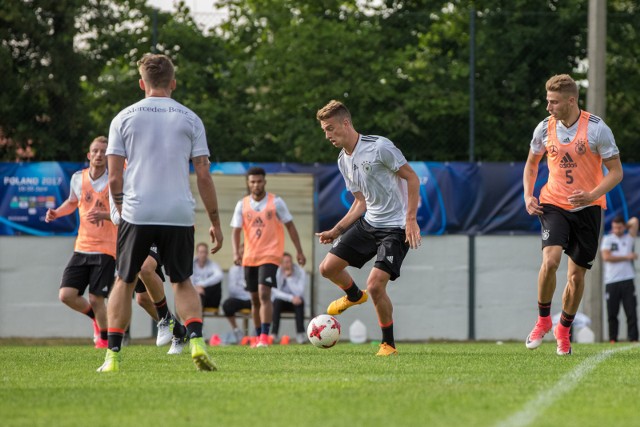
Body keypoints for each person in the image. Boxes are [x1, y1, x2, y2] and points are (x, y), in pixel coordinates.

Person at [99, 53, 223, 372]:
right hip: (178, 212)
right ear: (173, 83)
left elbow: (114, 178)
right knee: (182, 281)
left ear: (142, 83)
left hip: (138, 212)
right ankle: (195, 341)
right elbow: (204, 176)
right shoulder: (190, 118)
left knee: (124, 282)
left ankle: (112, 356)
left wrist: (122, 209)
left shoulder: (123, 118)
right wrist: (215, 222)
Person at [523, 74, 623, 355]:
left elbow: (616, 172)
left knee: (576, 277)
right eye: (547, 101)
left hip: (588, 208)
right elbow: (532, 164)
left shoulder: (597, 129)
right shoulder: (544, 128)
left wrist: (592, 195)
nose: (548, 107)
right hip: (553, 203)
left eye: (553, 102)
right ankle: (543, 321)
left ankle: (563, 330)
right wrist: (528, 195)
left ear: (571, 100)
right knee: (550, 260)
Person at [315, 100, 421, 357]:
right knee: (327, 268)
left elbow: (412, 177)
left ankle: (388, 344)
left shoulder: (379, 147)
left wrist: (410, 219)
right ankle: (353, 296)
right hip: (369, 223)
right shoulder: (343, 160)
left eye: (330, 129)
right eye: (324, 131)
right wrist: (336, 231)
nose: (328, 135)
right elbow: (360, 202)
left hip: (395, 228)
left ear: (346, 123)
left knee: (375, 286)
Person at [45, 136, 115, 349]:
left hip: (106, 249)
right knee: (66, 295)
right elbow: (72, 202)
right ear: (89, 155)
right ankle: (96, 319)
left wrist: (104, 214)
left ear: (109, 156)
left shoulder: (116, 181)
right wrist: (57, 212)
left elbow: (125, 213)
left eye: (104, 151)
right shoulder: (78, 178)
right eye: (95, 151)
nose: (99, 155)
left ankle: (104, 339)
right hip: (82, 247)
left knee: (96, 297)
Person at [231, 166, 306, 348]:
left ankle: (265, 336)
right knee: (254, 299)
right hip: (250, 257)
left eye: (259, 181)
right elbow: (236, 230)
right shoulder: (242, 205)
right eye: (252, 182)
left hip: (271, 255)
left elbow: (290, 226)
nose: (256, 185)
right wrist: (235, 252)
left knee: (265, 293)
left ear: (264, 182)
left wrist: (299, 250)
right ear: (248, 184)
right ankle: (258, 337)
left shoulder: (276, 202)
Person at [601, 215, 639, 343]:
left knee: (631, 311)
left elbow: (635, 221)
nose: (617, 230)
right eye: (615, 227)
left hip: (627, 280)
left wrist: (625, 227)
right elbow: (606, 257)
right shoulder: (607, 239)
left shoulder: (628, 238)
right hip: (611, 281)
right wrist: (627, 257)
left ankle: (633, 338)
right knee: (612, 313)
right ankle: (613, 339)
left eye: (619, 227)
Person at [272, 252, 307, 344]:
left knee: (300, 302)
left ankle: (300, 333)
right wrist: (291, 298)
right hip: (282, 301)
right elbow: (275, 292)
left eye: (289, 262)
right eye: (285, 262)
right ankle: (273, 334)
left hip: (295, 302)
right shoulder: (276, 272)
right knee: (277, 301)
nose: (288, 264)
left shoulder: (300, 272)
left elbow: (299, 292)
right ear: (281, 263)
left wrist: (289, 278)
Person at [221, 243, 253, 343]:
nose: (243, 255)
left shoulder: (255, 268)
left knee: (264, 303)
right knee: (227, 304)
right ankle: (237, 331)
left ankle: (258, 331)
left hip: (253, 299)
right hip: (239, 299)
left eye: (246, 253)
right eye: (242, 253)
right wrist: (248, 288)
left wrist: (244, 287)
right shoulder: (233, 269)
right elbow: (232, 289)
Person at [192, 242, 224, 310]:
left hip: (209, 297)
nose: (203, 254)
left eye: (205, 252)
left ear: (207, 253)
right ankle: (198, 318)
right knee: (199, 295)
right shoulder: (190, 264)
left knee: (217, 283)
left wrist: (202, 285)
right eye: (201, 252)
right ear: (197, 253)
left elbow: (219, 275)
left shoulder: (213, 264)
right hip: (193, 294)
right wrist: (196, 288)